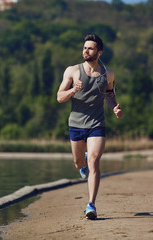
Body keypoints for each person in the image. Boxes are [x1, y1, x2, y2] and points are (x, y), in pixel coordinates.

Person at [57, 33, 123, 220]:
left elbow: (110, 96)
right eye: (85, 47)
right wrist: (73, 90)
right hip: (76, 124)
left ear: (99, 52)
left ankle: (91, 205)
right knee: (80, 163)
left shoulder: (108, 74)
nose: (86, 50)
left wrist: (115, 109)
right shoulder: (72, 71)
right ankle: (82, 161)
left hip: (97, 123)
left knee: (94, 162)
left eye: (90, 48)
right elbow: (59, 97)